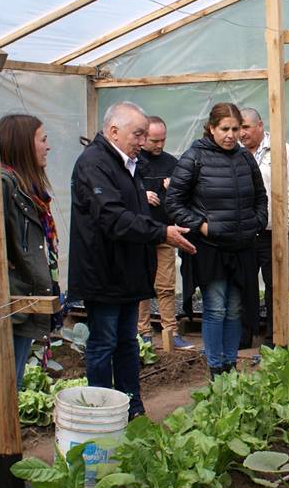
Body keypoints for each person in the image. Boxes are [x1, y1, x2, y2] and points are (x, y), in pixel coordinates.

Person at [69, 101, 196, 418]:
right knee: (103, 344)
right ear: (114, 131)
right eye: (138, 134)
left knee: (126, 344)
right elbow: (112, 218)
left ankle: (131, 408)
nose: (143, 141)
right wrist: (160, 232)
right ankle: (101, 413)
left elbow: (132, 212)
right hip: (104, 274)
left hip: (127, 274)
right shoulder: (94, 164)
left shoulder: (126, 164)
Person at [0, 114, 58, 488]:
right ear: (22, 143)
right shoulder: (0, 184)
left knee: (8, 385)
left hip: (23, 297)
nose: (47, 145)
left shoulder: (22, 185)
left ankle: (2, 475)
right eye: (42, 139)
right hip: (9, 301)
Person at [166, 103, 267, 377]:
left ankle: (230, 365)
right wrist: (201, 226)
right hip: (211, 249)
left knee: (235, 309)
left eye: (236, 129)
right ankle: (215, 369)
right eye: (225, 129)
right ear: (211, 128)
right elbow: (173, 202)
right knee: (216, 307)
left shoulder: (245, 159)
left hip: (242, 247)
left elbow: (261, 197)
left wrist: (255, 223)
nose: (231, 135)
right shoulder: (194, 157)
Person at [238, 107, 289, 346]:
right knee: (244, 283)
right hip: (245, 233)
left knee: (275, 285)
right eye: (239, 128)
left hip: (273, 232)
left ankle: (274, 335)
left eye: (246, 127)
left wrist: (283, 226)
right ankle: (244, 335)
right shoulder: (234, 154)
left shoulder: (282, 151)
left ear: (260, 126)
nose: (241, 133)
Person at [136, 115, 192, 350]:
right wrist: (142, 195)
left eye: (163, 140)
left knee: (166, 285)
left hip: (164, 232)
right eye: (154, 141)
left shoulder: (171, 163)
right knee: (140, 286)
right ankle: (143, 333)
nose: (159, 145)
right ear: (143, 137)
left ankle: (170, 331)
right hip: (139, 234)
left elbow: (184, 198)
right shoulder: (133, 161)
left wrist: (173, 189)